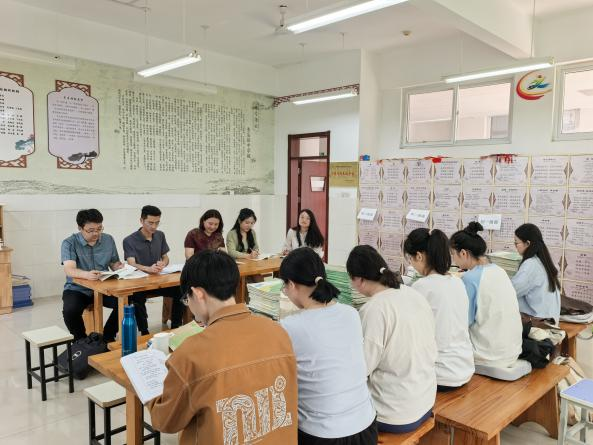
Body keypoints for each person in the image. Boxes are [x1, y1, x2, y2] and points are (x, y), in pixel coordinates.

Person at [148, 250, 298, 445]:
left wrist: (150, 392)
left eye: (187, 299)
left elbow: (165, 421)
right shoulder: (278, 332)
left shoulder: (190, 354)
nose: (188, 305)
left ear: (198, 293)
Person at [279, 247, 377, 445]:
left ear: (291, 284)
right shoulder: (351, 313)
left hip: (323, 435)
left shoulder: (290, 326)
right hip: (366, 428)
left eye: (284, 287)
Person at [347, 245, 437, 434]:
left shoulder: (374, 309)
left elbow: (362, 369)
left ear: (359, 280)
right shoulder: (413, 293)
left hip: (393, 413)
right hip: (426, 399)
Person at [403, 228, 474, 391]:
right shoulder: (457, 282)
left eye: (410, 259)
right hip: (464, 368)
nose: (411, 264)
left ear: (419, 256)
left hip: (440, 375)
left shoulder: (422, 286)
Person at [450, 222, 523, 368]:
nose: (453, 259)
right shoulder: (499, 271)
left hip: (489, 356)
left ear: (463, 253)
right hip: (513, 351)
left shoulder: (470, 279)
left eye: (453, 254)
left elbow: (463, 322)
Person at [61, 209, 122, 343]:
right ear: (80, 228)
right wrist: (86, 275)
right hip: (78, 289)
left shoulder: (108, 239)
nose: (96, 233)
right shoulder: (69, 243)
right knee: (70, 310)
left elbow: (114, 263)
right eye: (91, 230)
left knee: (129, 301)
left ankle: (108, 336)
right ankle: (81, 341)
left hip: (104, 287)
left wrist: (120, 267)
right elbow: (69, 269)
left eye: (99, 229)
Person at [123, 205, 184, 334]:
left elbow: (165, 257)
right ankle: (144, 331)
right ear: (141, 220)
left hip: (158, 280)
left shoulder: (160, 235)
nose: (154, 226)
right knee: (136, 297)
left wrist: (163, 263)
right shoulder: (129, 240)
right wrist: (148, 269)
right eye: (150, 223)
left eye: (157, 223)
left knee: (181, 289)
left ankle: (176, 326)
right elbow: (131, 263)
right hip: (140, 282)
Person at [512, 223, 561, 324]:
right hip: (550, 320)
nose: (515, 246)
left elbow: (512, 290)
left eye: (516, 243)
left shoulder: (530, 265)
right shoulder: (542, 260)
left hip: (540, 324)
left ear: (527, 243)